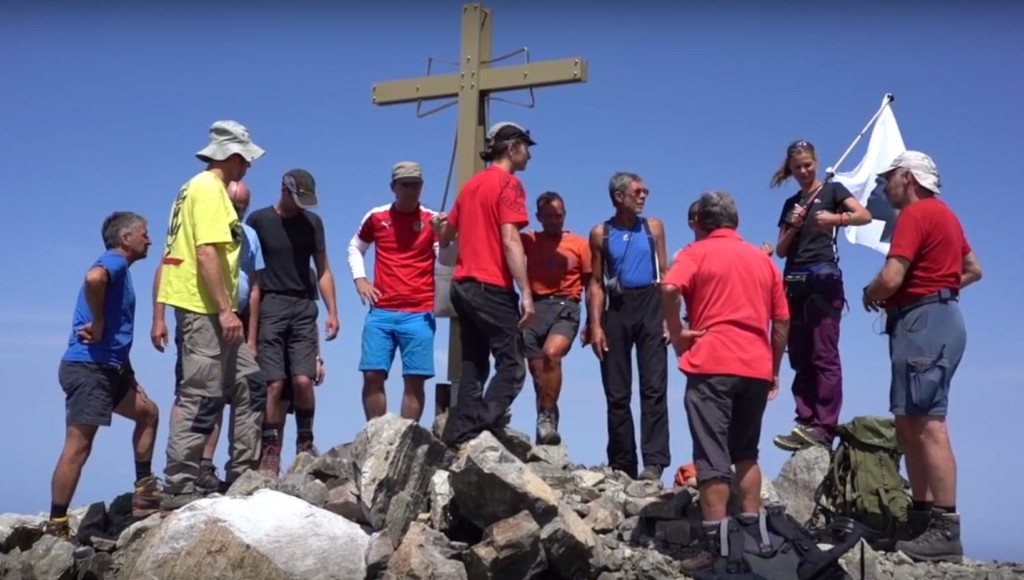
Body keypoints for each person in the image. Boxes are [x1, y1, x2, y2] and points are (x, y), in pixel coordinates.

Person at [661, 191, 790, 573]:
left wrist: (678, 331)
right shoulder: (761, 260)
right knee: (747, 453)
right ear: (736, 221)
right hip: (755, 366)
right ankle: (753, 540)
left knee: (711, 457)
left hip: (712, 364)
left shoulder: (695, 253)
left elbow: (669, 288)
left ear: (700, 221)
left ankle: (716, 548)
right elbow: (781, 321)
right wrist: (774, 368)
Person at [862, 151, 981, 562]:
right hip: (935, 317)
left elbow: (890, 276)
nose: (884, 186)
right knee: (909, 422)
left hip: (924, 322)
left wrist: (872, 293)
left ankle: (945, 528)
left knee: (928, 424)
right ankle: (922, 519)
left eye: (889, 178)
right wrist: (939, 287)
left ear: (908, 178)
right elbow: (973, 268)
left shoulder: (914, 215)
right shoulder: (945, 215)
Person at [157, 120, 266, 509]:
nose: (249, 166)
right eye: (247, 159)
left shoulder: (196, 188)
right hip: (203, 309)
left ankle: (242, 473)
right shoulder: (207, 190)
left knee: (250, 383)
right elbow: (206, 252)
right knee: (201, 395)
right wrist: (225, 309)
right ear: (233, 156)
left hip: (211, 308)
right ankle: (180, 486)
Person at [45, 212, 160, 539]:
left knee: (148, 413)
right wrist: (96, 322)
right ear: (126, 239)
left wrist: (128, 372)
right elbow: (93, 278)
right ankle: (56, 525)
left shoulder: (121, 269)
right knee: (79, 446)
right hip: (89, 368)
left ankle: (145, 493)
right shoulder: (114, 262)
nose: (149, 239)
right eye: (144, 233)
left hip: (111, 368)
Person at [438, 121, 535, 448]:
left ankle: (462, 437)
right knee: (513, 366)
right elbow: (511, 240)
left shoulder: (470, 186)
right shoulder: (509, 185)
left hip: (462, 285)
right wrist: (527, 293)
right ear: (511, 147)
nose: (529, 156)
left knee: (474, 363)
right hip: (490, 285)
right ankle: (483, 424)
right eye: (526, 147)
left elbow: (446, 235)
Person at [770, 139, 872, 451]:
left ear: (816, 162)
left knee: (823, 353)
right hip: (795, 278)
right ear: (790, 168)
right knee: (799, 353)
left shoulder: (833, 190)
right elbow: (782, 250)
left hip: (823, 277)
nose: (803, 171)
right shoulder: (791, 204)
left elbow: (864, 215)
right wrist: (794, 226)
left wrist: (836, 219)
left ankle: (823, 425)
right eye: (797, 167)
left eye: (807, 165)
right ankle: (805, 419)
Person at [246, 169, 340, 475]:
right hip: (271, 302)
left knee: (302, 379)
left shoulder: (313, 224)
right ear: (284, 190)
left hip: (303, 303)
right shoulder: (259, 221)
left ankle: (305, 443)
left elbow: (323, 269)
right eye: (298, 199)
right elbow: (250, 273)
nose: (302, 207)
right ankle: (270, 450)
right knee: (274, 383)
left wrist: (332, 311)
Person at [347, 161, 456, 422]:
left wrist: (445, 237)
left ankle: (406, 438)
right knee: (373, 373)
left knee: (415, 379)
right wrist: (360, 280)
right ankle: (376, 433)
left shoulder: (432, 220)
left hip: (419, 311)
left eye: (416, 185)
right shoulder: (376, 216)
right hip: (381, 310)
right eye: (405, 185)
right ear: (393, 187)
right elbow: (355, 247)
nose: (411, 190)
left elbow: (448, 260)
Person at [586, 171, 671, 482]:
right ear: (619, 196)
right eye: (637, 191)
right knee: (617, 393)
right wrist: (595, 325)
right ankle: (622, 465)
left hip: (650, 304)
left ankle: (655, 462)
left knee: (654, 387)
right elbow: (595, 282)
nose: (644, 195)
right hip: (617, 309)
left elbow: (667, 275)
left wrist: (669, 319)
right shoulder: (600, 233)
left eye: (645, 190)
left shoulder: (654, 228)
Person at [521, 191, 591, 445]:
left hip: (566, 306)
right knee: (540, 379)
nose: (554, 220)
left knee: (552, 354)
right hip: (535, 309)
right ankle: (546, 433)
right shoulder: (528, 240)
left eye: (558, 215)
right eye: (549, 216)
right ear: (539, 217)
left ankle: (547, 418)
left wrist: (594, 321)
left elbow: (592, 283)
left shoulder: (579, 244)